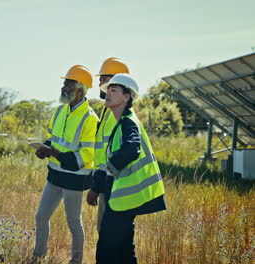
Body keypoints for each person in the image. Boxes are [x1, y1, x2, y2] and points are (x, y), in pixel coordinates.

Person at [93, 74, 166, 263]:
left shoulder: (128, 122)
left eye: (114, 90)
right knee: (125, 252)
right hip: (122, 198)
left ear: (126, 97)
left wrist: (111, 167)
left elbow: (132, 149)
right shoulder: (121, 122)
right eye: (108, 90)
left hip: (124, 200)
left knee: (106, 252)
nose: (108, 93)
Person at [33, 65, 99, 264]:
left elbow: (87, 155)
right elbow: (52, 138)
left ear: (79, 88)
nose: (63, 87)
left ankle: (76, 261)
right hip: (55, 175)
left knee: (73, 223)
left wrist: (57, 154)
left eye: (67, 84)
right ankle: (38, 256)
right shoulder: (59, 111)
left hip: (74, 179)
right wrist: (44, 149)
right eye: (64, 83)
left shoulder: (90, 118)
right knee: (41, 217)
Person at [86, 57, 130, 235]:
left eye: (104, 79)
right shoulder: (108, 110)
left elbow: (114, 153)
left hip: (113, 184)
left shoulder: (117, 112)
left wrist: (96, 186)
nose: (99, 82)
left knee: (109, 234)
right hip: (107, 181)